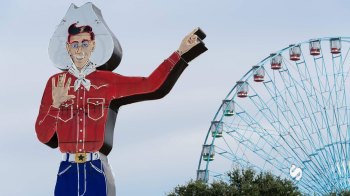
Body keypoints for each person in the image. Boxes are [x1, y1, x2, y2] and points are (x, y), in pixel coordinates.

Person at [35, 23, 206, 196]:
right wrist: (55, 106)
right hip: (66, 171)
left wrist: (180, 53)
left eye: (85, 43)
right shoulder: (56, 83)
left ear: (93, 45)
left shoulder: (107, 81)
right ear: (68, 48)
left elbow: (151, 85)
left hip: (95, 168)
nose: (80, 49)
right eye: (75, 44)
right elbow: (43, 135)